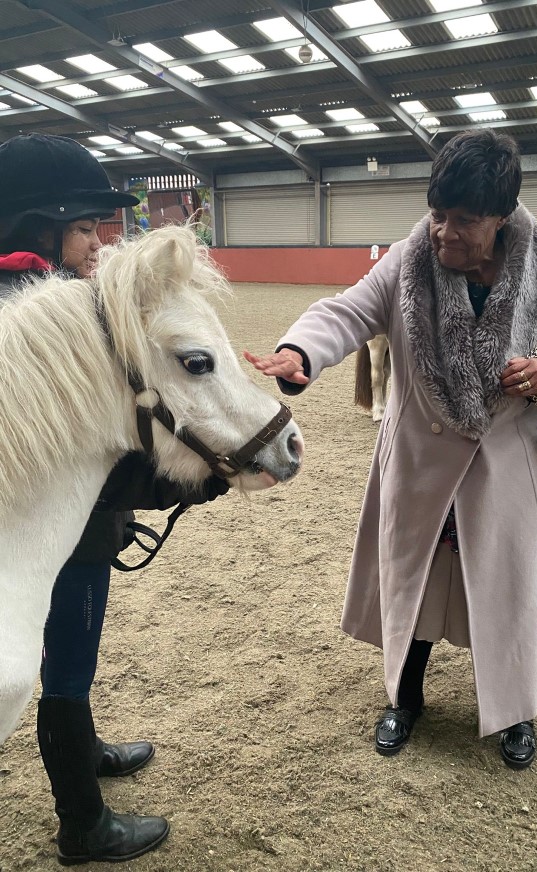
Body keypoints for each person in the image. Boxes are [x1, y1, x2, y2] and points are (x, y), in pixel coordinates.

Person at [244, 129, 537, 770]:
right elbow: (349, 311)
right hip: (421, 461)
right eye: (437, 215)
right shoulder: (409, 260)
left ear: (500, 217)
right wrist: (302, 351)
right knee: (413, 583)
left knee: (508, 593)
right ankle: (404, 699)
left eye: (464, 221)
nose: (443, 233)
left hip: (505, 471)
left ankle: (516, 712)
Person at [0, 133, 229, 865]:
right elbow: (90, 452)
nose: (102, 242)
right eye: (85, 228)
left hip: (70, 527)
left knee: (76, 656)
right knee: (66, 660)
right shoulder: (43, 319)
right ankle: (83, 821)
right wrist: (193, 474)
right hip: (63, 533)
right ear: (37, 228)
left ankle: (85, 747)